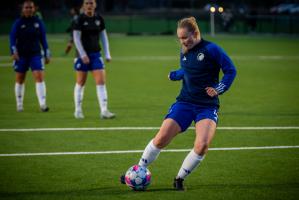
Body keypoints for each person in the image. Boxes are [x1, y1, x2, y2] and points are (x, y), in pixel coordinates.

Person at [120, 17, 237, 190]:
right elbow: (189, 70)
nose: (182, 42)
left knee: (202, 145)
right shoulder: (184, 50)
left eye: (185, 37)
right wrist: (176, 74)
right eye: (180, 38)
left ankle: (179, 178)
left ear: (195, 33)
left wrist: (219, 88)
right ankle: (139, 170)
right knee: (160, 139)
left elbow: (230, 70)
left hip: (207, 106)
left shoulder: (212, 49)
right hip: (185, 102)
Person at [72, 0, 115, 119]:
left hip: (96, 54)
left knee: (101, 81)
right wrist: (83, 54)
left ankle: (104, 110)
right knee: (81, 82)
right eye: (87, 3)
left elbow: (103, 36)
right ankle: (78, 110)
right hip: (82, 56)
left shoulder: (99, 18)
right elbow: (76, 38)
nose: (89, 5)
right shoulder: (79, 19)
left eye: (91, 3)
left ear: (95, 5)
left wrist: (107, 54)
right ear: (83, 5)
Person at [10, 0, 51, 112]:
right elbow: (12, 39)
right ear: (22, 9)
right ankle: (19, 104)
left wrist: (47, 52)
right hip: (21, 55)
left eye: (30, 7)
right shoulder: (18, 23)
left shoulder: (38, 22)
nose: (28, 9)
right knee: (20, 79)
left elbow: (43, 39)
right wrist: (13, 51)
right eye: (26, 7)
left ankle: (43, 104)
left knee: (39, 76)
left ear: (34, 9)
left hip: (35, 54)